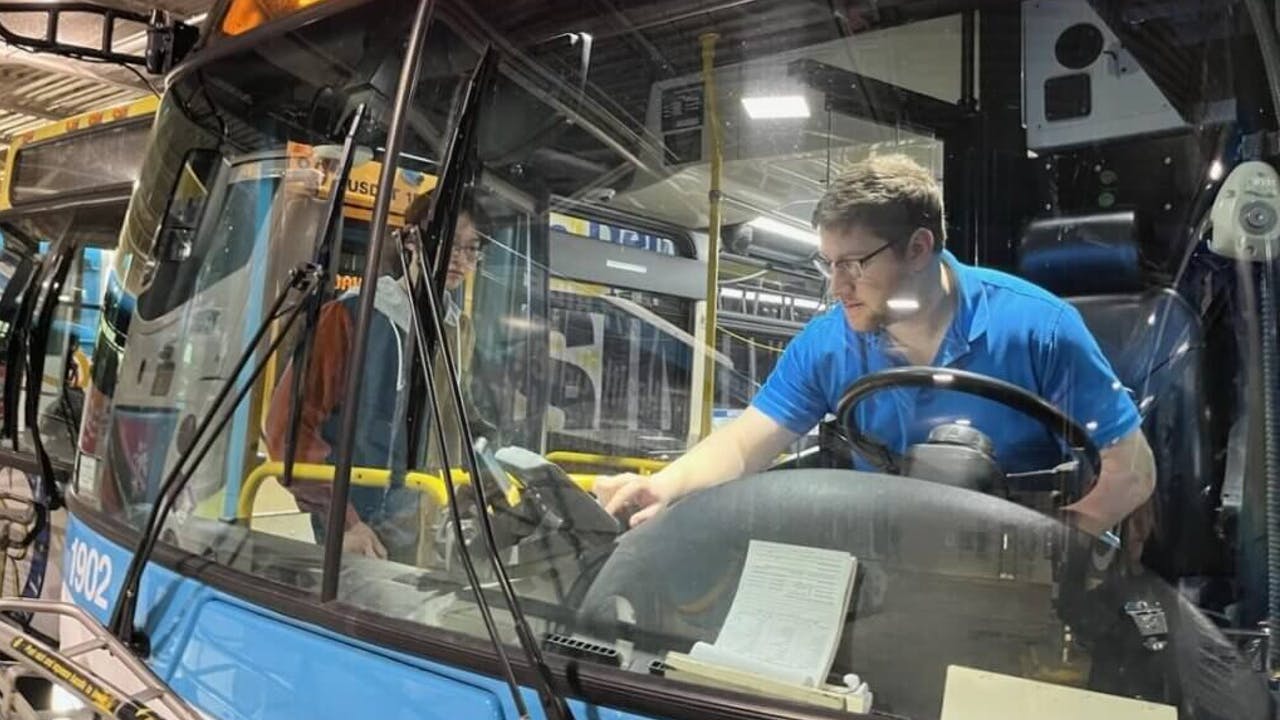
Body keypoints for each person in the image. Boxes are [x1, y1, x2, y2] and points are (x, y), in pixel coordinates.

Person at [597, 154, 1155, 537]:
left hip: (1019, 567)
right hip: (892, 563)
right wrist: (663, 487)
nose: (837, 287)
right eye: (829, 265)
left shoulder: (1039, 329)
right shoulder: (831, 342)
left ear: (918, 247)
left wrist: (1059, 548)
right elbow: (746, 444)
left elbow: (1132, 471)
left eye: (854, 265)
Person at [264, 191, 484, 561]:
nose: (460, 260)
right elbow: (288, 429)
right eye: (450, 244)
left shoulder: (458, 331)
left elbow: (455, 424)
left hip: (426, 522)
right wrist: (342, 522)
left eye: (472, 249)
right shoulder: (350, 317)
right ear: (411, 240)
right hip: (359, 527)